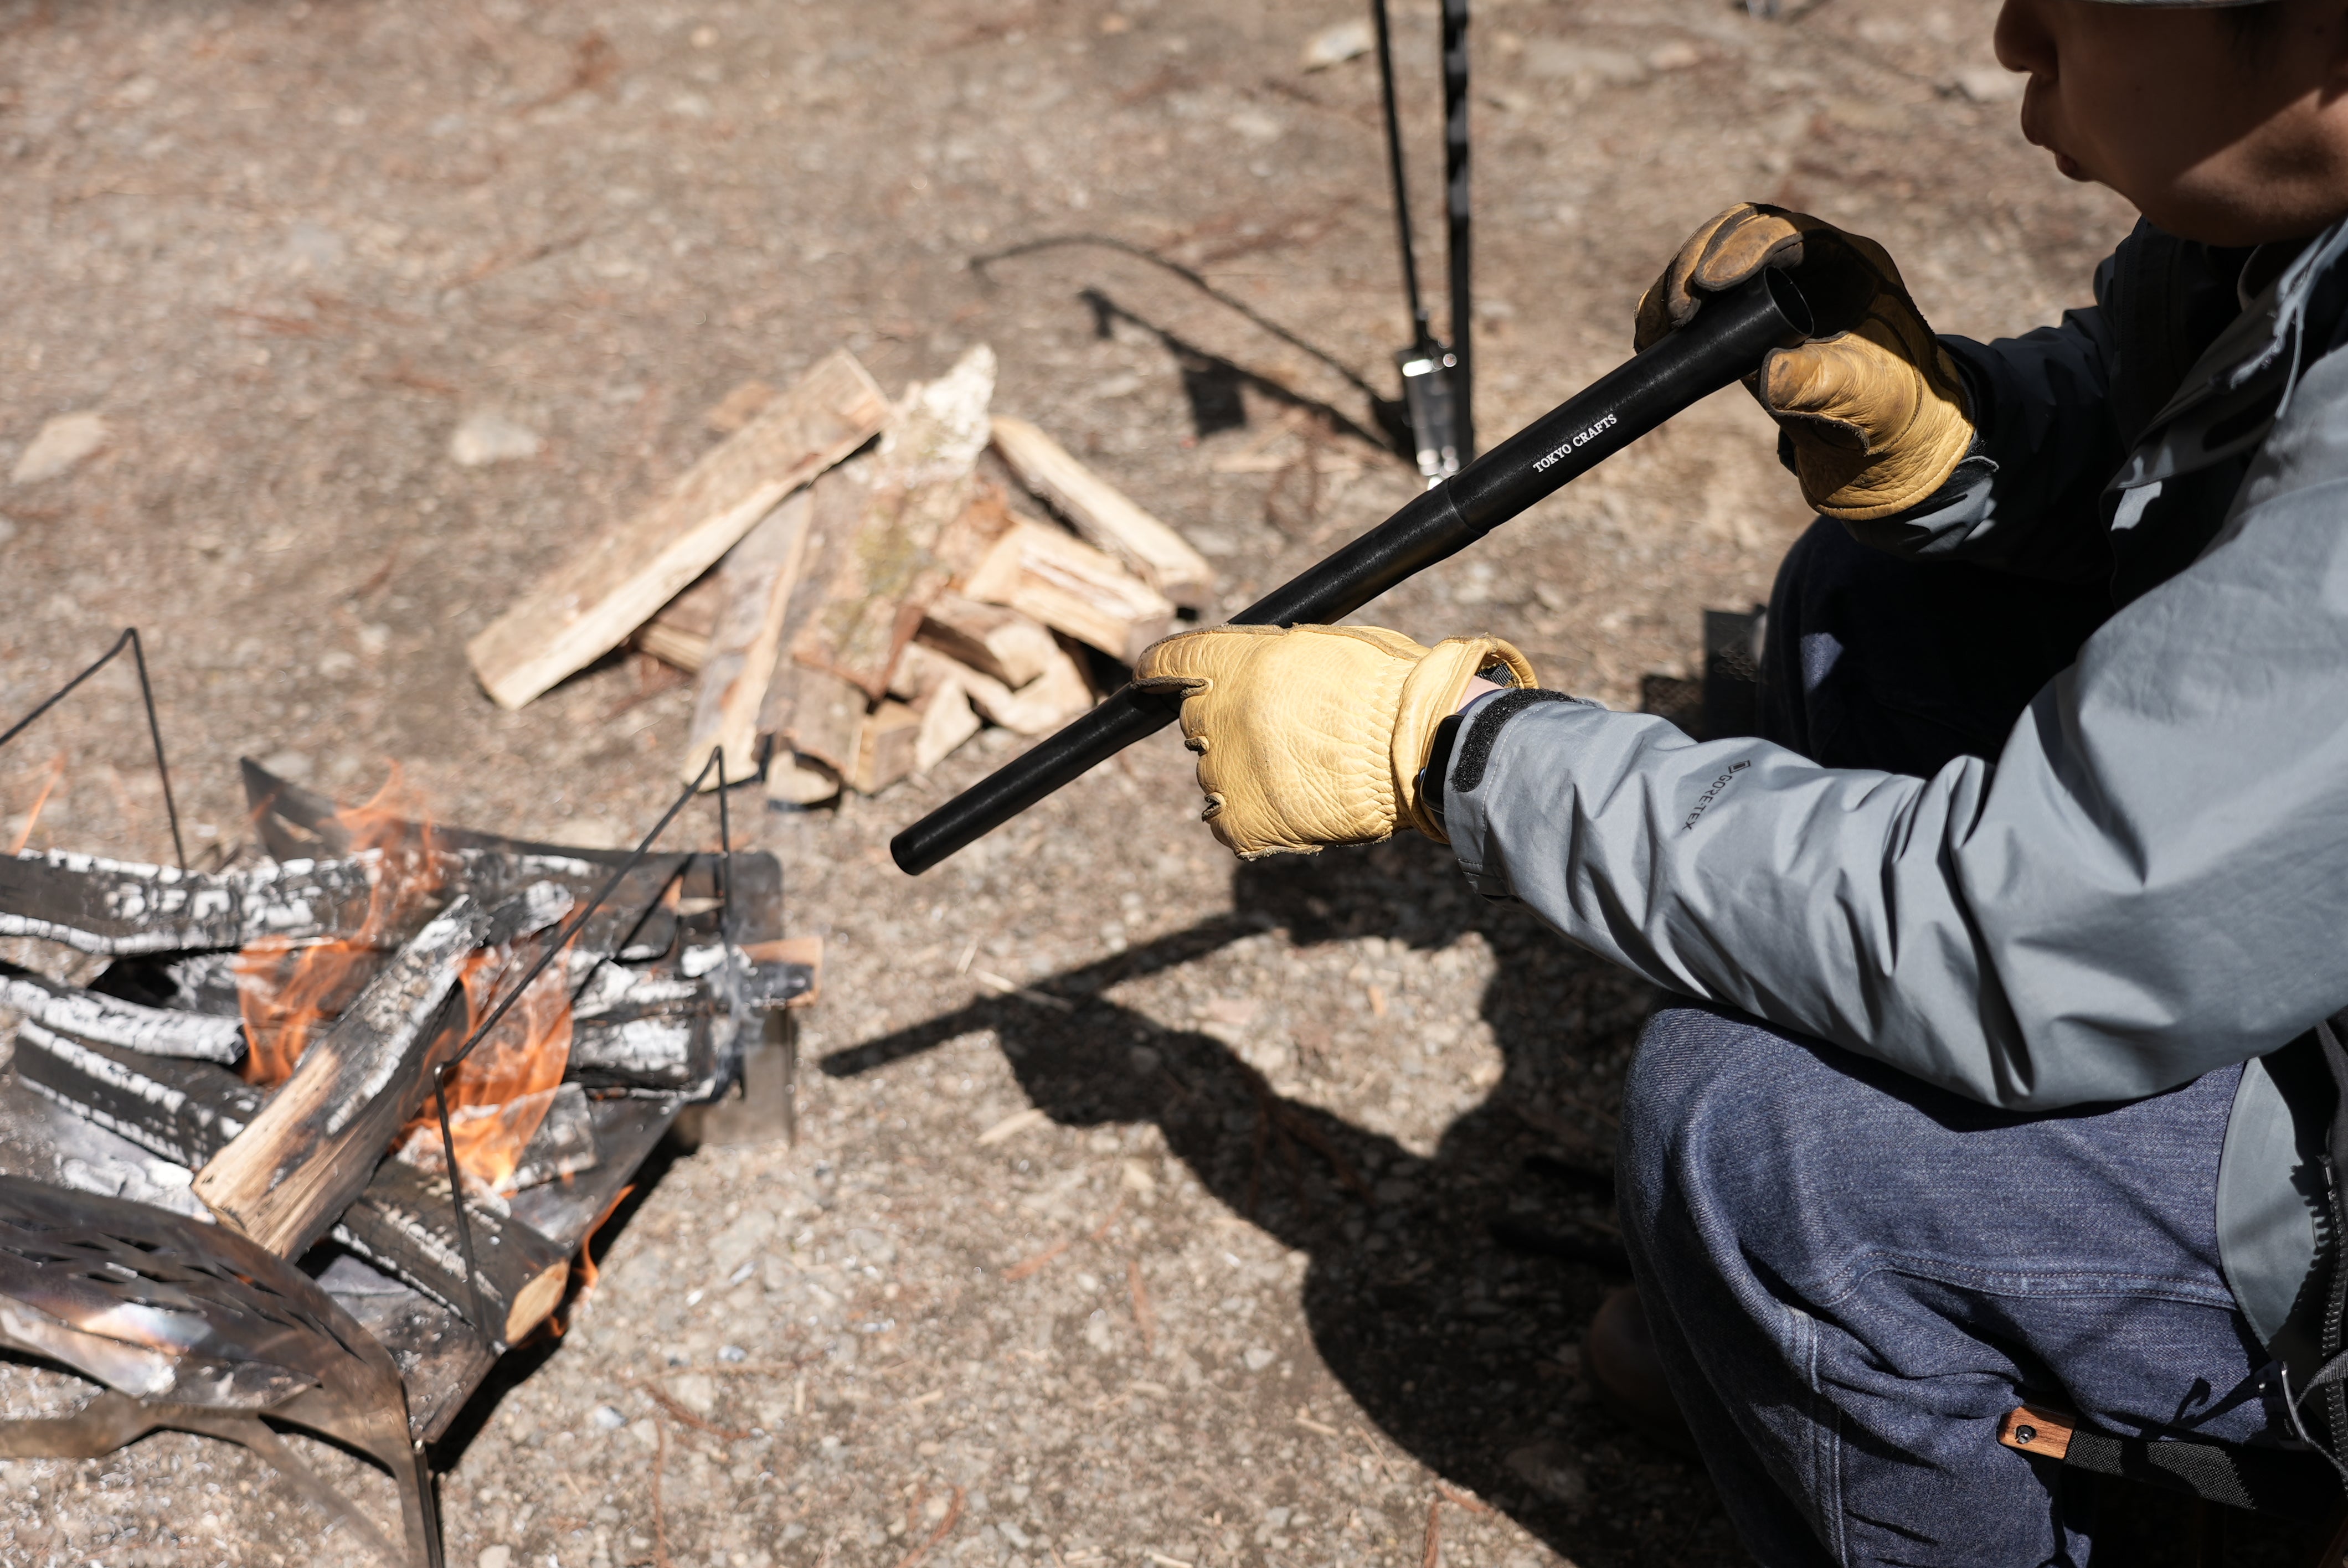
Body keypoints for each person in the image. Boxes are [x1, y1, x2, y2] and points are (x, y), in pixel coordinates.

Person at [1129, 0, 2348, 1560]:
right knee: (1879, 603)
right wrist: (1958, 438)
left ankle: (1857, 1277)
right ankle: (1825, 1322)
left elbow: (2023, 929)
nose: (2011, 36)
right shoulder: (2297, 219)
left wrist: (1452, 751)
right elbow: (2189, 437)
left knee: (1760, 1139)